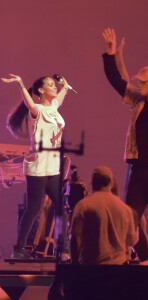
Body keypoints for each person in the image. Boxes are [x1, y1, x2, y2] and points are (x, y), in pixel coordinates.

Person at [1, 73, 71, 258]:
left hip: (53, 167)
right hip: (38, 167)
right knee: (34, 207)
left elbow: (62, 95)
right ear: (41, 90)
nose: (53, 86)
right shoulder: (37, 110)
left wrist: (65, 86)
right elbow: (28, 101)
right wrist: (20, 82)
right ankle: (19, 248)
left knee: (61, 207)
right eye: (50, 84)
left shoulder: (54, 108)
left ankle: (63, 248)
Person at [102, 28, 148, 262]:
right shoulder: (138, 100)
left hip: (142, 167)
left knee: (131, 218)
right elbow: (119, 80)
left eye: (144, 82)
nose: (139, 85)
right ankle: (145, 257)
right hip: (138, 165)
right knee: (131, 218)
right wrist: (113, 54)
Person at [70, 166, 138, 265]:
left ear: (92, 182)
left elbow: (74, 240)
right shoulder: (125, 209)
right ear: (111, 182)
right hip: (118, 270)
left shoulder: (83, 205)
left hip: (91, 269)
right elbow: (131, 241)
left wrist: (75, 268)